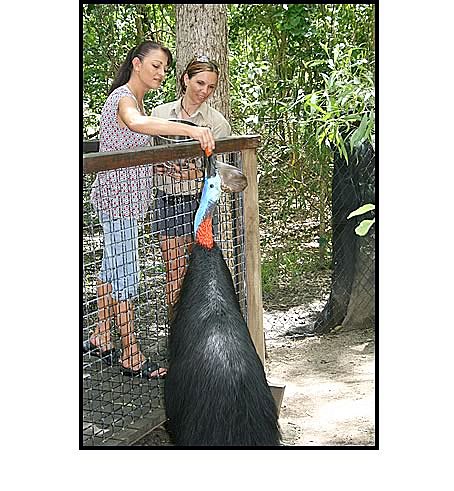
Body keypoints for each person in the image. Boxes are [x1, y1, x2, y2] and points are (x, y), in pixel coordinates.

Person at [85, 41, 216, 380]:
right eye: (156, 65)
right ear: (136, 63)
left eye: (164, 68)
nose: (160, 73)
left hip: (123, 199)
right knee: (126, 276)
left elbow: (127, 149)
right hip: (119, 202)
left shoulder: (137, 98)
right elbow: (136, 124)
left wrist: (154, 169)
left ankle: (102, 334)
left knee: (112, 270)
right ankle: (130, 353)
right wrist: (192, 130)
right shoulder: (124, 99)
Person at [151, 55, 231, 317]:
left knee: (200, 274)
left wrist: (194, 174)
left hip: (200, 207)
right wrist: (156, 167)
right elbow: (146, 156)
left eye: (210, 87)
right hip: (168, 200)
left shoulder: (218, 123)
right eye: (199, 83)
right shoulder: (160, 114)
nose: (204, 91)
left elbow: (218, 172)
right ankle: (177, 334)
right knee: (174, 273)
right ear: (185, 79)